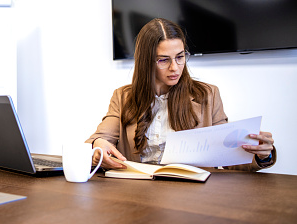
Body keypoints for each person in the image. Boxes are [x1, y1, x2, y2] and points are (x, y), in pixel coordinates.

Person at [86, 18, 275, 171]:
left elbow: (228, 157)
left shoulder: (208, 95)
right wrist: (98, 145)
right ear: (146, 62)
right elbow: (98, 139)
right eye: (163, 60)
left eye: (180, 57)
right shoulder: (123, 97)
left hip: (191, 197)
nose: (175, 68)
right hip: (138, 194)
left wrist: (262, 154)